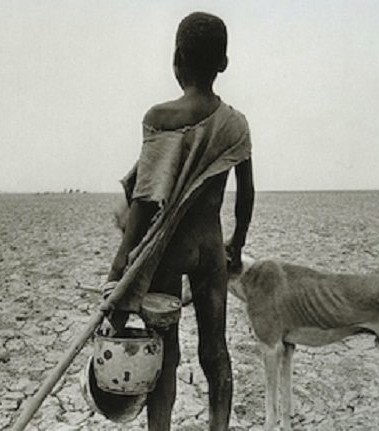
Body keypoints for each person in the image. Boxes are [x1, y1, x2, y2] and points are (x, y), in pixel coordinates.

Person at [100, 11, 254, 431]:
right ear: (223, 63)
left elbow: (147, 200)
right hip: (210, 251)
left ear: (177, 58)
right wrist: (236, 246)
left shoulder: (160, 118)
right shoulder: (236, 124)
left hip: (167, 253)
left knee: (163, 353)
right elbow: (246, 196)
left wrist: (122, 267)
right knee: (215, 352)